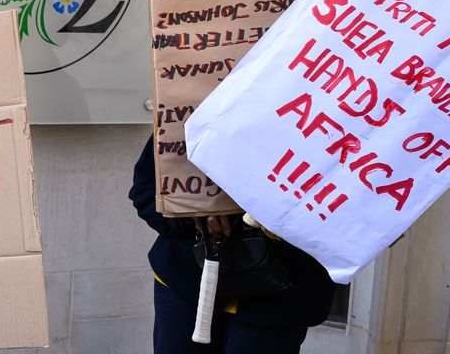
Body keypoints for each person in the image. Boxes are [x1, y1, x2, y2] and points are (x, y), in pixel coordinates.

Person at [129, 136, 337, 353]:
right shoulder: (195, 111)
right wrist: (192, 217)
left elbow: (350, 218)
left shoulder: (338, 128)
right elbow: (146, 189)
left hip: (280, 296)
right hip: (186, 283)